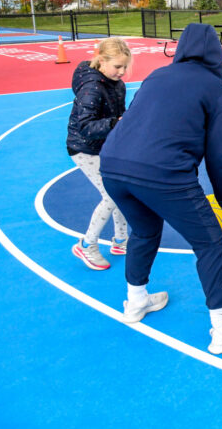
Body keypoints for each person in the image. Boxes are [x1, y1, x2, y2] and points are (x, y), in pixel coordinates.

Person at [100, 23, 222, 355]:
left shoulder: (157, 75)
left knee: (144, 231)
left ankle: (136, 302)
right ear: (216, 53)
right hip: (164, 172)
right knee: (210, 241)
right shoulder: (218, 91)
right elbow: (219, 154)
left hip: (113, 165)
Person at [66, 37, 131, 271]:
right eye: (117, 67)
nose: (122, 72)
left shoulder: (116, 83)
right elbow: (85, 126)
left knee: (121, 191)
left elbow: (118, 116)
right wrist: (116, 123)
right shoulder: (91, 88)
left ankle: (121, 241)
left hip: (104, 146)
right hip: (84, 148)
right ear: (102, 61)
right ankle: (86, 244)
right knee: (111, 195)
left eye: (125, 66)